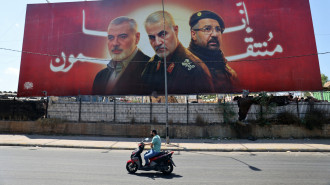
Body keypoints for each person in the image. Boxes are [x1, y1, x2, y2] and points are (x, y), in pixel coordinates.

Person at [141, 11, 214, 95]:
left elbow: (206, 106)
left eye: (163, 34)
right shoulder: (151, 66)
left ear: (175, 30)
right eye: (152, 37)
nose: (157, 42)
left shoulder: (196, 70)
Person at [92, 16, 150, 95]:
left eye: (122, 37)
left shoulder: (152, 69)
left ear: (137, 38)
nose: (115, 43)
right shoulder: (100, 76)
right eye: (111, 37)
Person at [188, 10, 239, 93]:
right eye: (207, 29)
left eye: (218, 29)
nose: (215, 34)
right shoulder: (183, 65)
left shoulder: (230, 73)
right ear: (193, 34)